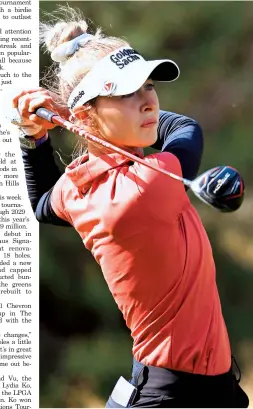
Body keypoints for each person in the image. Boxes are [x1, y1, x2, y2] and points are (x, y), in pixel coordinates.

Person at [12, 7, 249, 408]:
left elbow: (41, 203)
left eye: (148, 85)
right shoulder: (147, 185)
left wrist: (33, 139)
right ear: (85, 115)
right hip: (172, 396)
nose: (147, 101)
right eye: (124, 92)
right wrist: (68, 116)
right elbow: (183, 129)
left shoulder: (78, 184)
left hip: (209, 387)